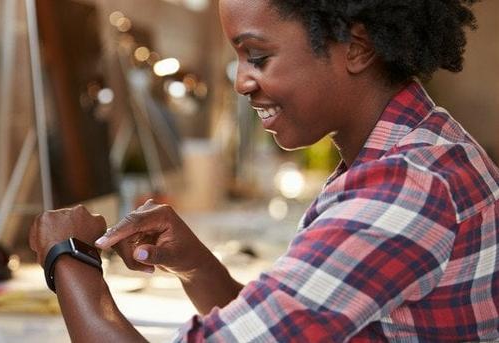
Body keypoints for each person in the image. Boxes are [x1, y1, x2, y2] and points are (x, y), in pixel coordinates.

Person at [28, 0, 499, 341]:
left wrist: (69, 259)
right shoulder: (420, 149)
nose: (239, 81)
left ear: (356, 48)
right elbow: (288, 325)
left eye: (257, 56)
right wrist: (195, 266)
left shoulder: (401, 190)